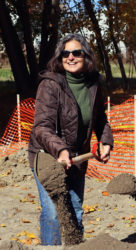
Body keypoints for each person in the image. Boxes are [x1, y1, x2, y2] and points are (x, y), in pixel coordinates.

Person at [28, 33, 113, 245]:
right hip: (47, 155)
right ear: (60, 57)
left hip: (78, 156)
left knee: (75, 208)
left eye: (77, 52)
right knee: (55, 212)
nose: (71, 57)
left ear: (86, 56)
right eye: (66, 53)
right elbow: (42, 127)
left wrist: (106, 142)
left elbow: (100, 119)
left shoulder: (93, 84)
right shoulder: (50, 84)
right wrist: (61, 150)